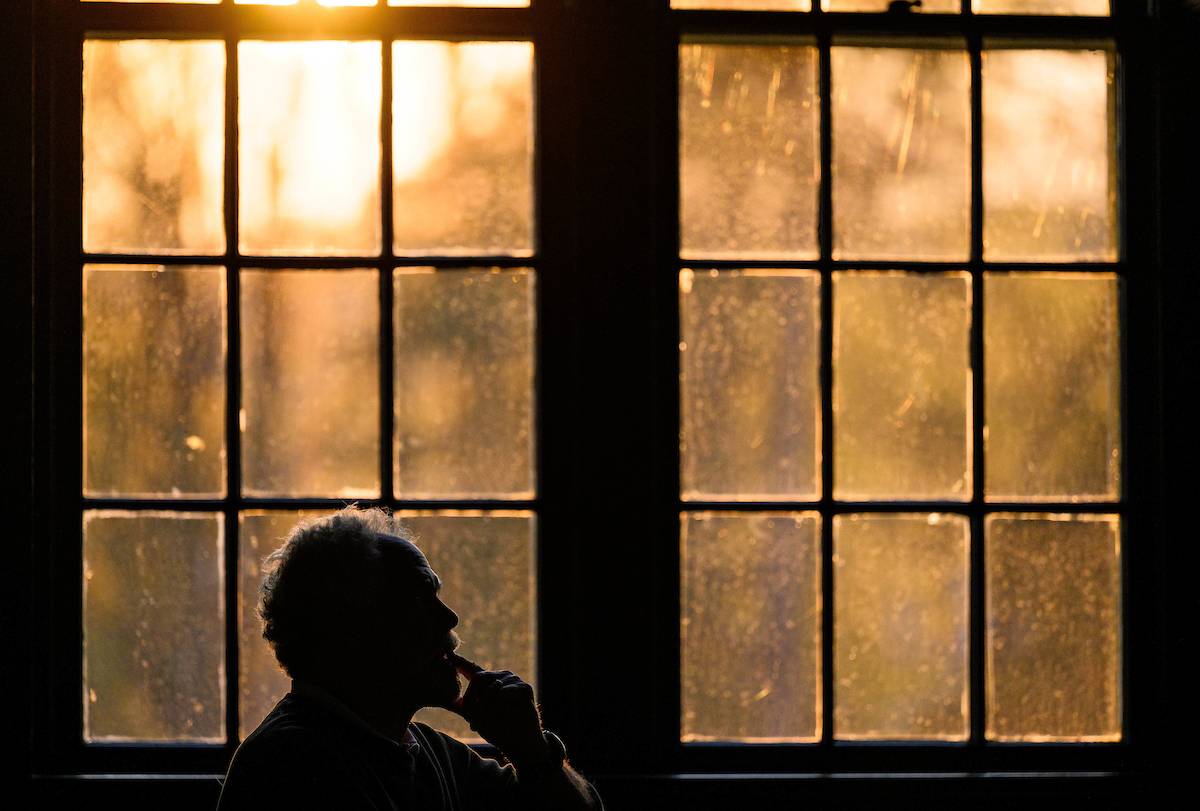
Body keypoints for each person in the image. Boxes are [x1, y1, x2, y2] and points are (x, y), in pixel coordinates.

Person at [217, 506, 603, 810]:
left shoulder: (424, 750)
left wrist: (531, 752)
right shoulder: (291, 766)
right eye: (420, 599)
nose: (449, 618)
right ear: (354, 626)